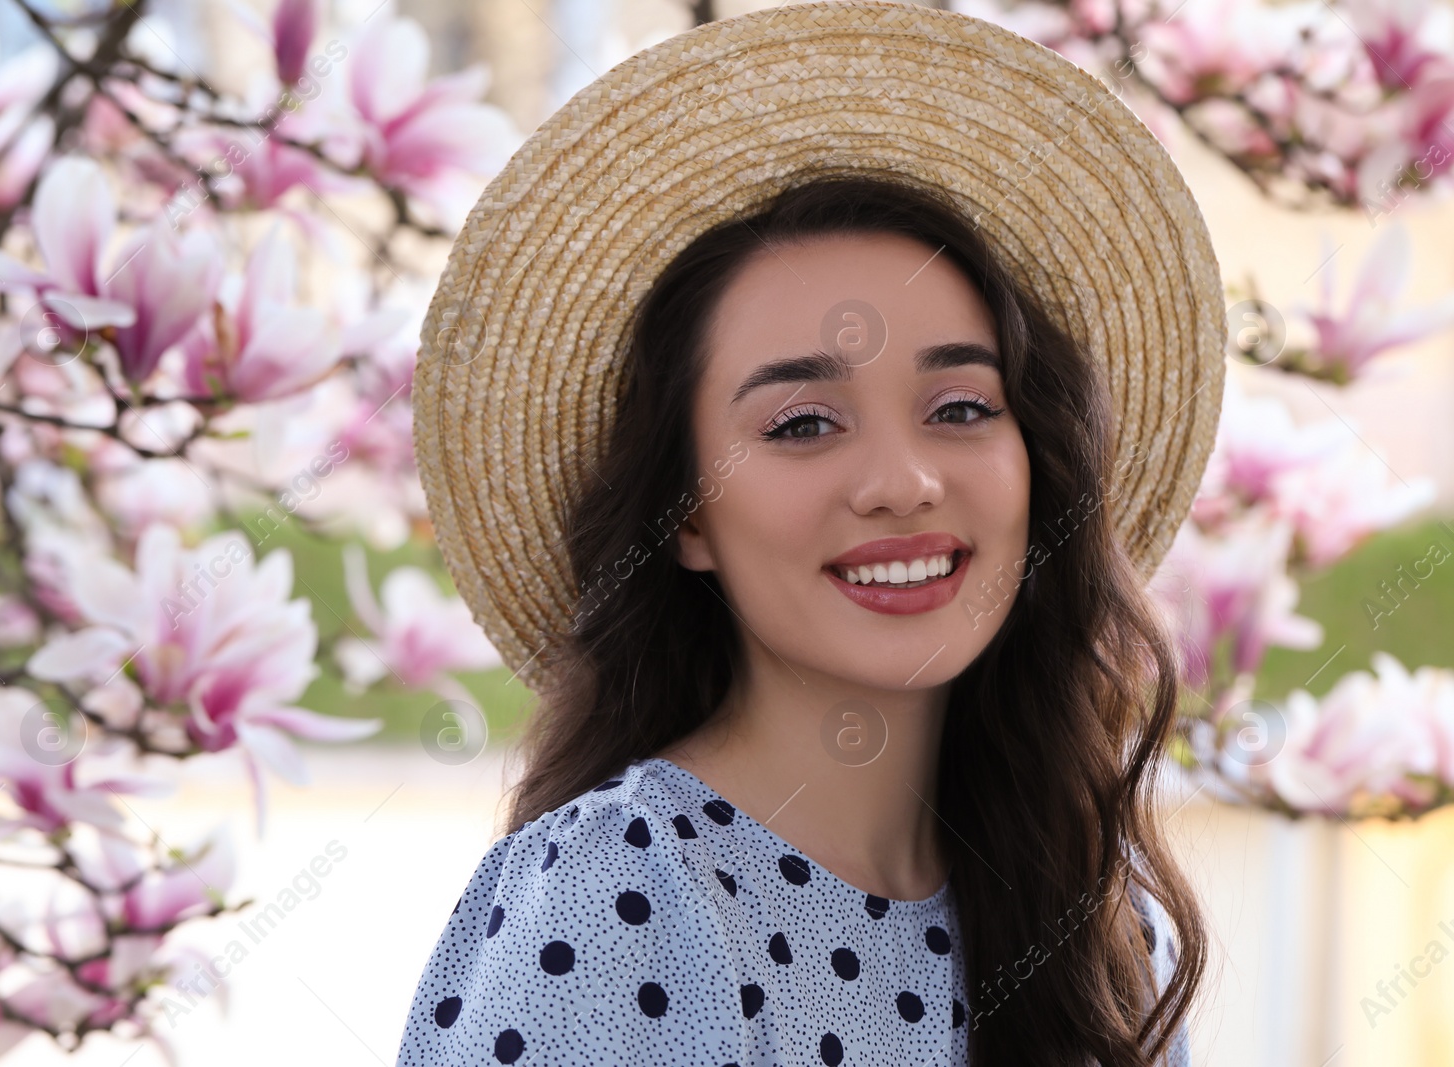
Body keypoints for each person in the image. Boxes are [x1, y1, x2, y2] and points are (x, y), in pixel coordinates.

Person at [397, 4, 1226, 1065]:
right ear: (686, 512)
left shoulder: (1106, 926)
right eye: (799, 423)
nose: (902, 480)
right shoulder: (623, 891)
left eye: (962, 406)